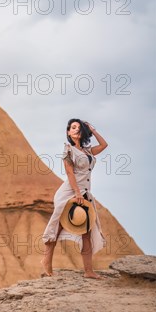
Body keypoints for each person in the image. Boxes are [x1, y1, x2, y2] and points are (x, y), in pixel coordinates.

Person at [40, 119, 108, 279]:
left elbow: (104, 145)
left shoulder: (88, 151)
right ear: (69, 133)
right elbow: (70, 173)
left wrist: (92, 129)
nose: (76, 129)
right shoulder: (68, 150)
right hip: (69, 192)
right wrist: (77, 193)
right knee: (57, 228)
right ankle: (46, 261)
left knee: (87, 231)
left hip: (84, 193)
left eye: (79, 127)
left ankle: (89, 271)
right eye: (73, 127)